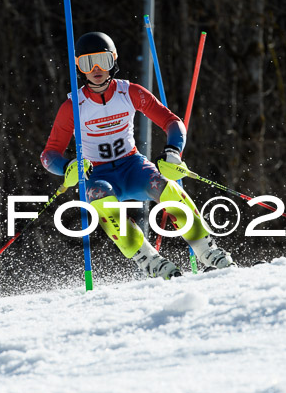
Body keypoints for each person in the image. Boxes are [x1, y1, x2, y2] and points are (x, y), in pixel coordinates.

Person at [40, 31, 234, 279]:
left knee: (165, 187)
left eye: (103, 60)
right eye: (88, 62)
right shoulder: (73, 107)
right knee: (98, 194)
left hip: (132, 167)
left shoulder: (130, 92)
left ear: (114, 60)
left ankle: (207, 250)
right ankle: (149, 259)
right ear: (79, 66)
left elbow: (172, 122)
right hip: (97, 174)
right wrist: (67, 166)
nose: (97, 68)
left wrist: (173, 151)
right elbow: (49, 155)